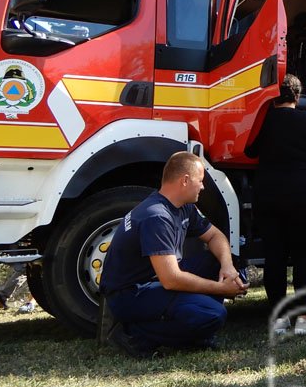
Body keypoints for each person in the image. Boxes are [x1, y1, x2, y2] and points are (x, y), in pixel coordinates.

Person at [99, 152, 248, 356]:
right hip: (130, 293)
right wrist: (222, 289)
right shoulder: (156, 217)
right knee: (213, 315)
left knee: (222, 262)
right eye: (200, 181)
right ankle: (134, 334)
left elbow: (215, 236)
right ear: (185, 180)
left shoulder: (183, 207)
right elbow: (171, 279)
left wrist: (228, 268)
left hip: (155, 279)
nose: (203, 187)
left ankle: (193, 328)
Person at [245, 74, 306, 335]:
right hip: (298, 193)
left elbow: (250, 150)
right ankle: (304, 317)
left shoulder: (265, 120)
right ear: (297, 96)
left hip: (267, 193)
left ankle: (279, 318)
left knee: (275, 256)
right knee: (303, 255)